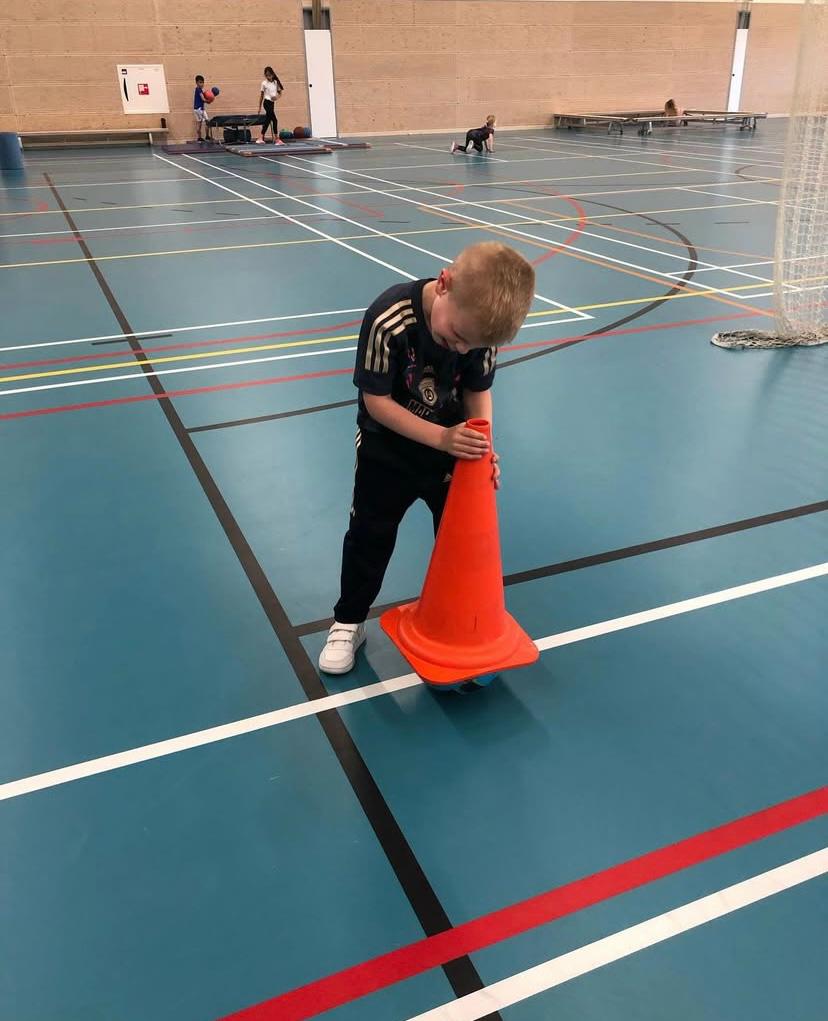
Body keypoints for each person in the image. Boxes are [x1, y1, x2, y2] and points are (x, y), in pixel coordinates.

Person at [318, 241, 535, 675]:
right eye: (454, 337)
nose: (457, 350)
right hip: (389, 450)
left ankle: (460, 626)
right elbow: (376, 403)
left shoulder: (478, 336)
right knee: (369, 536)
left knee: (461, 540)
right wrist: (443, 439)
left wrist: (483, 446)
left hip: (450, 453)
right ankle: (348, 621)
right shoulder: (388, 319)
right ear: (444, 283)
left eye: (467, 345)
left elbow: (477, 390)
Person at [257, 66, 285, 144]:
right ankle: (277, 138)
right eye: (266, 75)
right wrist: (259, 107)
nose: (268, 77)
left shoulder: (276, 82)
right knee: (275, 120)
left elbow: (280, 93)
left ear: (272, 74)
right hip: (266, 103)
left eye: (269, 75)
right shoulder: (264, 83)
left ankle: (260, 137)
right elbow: (261, 96)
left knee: (267, 120)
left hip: (272, 103)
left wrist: (276, 97)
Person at [193, 75, 209, 143]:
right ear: (197, 83)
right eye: (200, 82)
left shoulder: (200, 90)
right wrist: (209, 101)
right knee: (200, 123)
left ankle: (207, 136)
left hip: (200, 109)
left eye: (202, 82)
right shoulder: (198, 89)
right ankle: (199, 138)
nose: (202, 84)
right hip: (199, 109)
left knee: (207, 121)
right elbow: (203, 99)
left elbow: (203, 98)